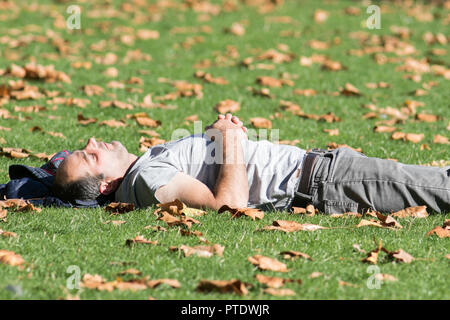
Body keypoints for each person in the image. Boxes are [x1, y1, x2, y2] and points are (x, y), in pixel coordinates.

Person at [53, 113, 450, 213]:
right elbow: (229, 205)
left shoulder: (145, 166)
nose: (92, 142)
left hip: (326, 172)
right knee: (441, 188)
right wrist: (229, 141)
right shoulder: (145, 180)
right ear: (105, 185)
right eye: (90, 156)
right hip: (325, 183)